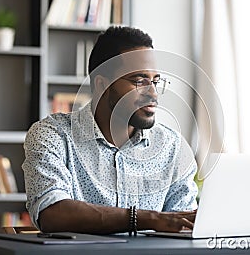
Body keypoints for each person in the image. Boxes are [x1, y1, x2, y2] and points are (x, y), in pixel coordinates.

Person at [22, 26, 198, 235]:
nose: (153, 93)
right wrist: (146, 218)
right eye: (139, 81)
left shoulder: (172, 147)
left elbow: (185, 224)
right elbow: (52, 213)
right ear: (102, 84)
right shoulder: (52, 136)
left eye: (155, 81)